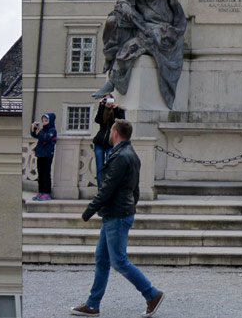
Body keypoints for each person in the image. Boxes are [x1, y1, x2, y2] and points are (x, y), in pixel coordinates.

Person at [72, 120, 165, 318]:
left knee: (119, 261)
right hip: (117, 212)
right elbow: (134, 188)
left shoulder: (121, 156)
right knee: (102, 259)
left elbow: (107, 189)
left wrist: (88, 211)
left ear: (115, 133)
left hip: (117, 214)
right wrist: (132, 205)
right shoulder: (129, 154)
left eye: (111, 130)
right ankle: (93, 304)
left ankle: (152, 294)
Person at [92, 95, 125, 187]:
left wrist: (116, 108)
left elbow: (121, 122)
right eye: (106, 100)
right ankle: (100, 190)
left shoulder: (117, 110)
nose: (109, 102)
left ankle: (108, 190)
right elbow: (97, 120)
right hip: (99, 143)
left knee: (110, 167)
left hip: (111, 143)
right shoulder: (102, 110)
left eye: (110, 99)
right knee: (100, 168)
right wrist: (101, 106)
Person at [30, 113, 57, 201]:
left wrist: (39, 134)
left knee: (46, 173)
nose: (44, 123)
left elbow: (45, 139)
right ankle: (41, 191)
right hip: (40, 154)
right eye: (43, 121)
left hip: (47, 154)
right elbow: (35, 135)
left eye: (46, 121)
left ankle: (46, 192)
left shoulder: (52, 130)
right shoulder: (43, 130)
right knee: (40, 173)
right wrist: (33, 129)